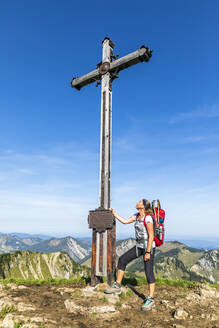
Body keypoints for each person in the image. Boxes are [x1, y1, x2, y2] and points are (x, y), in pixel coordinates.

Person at [104, 199, 156, 311]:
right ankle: (117, 286)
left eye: (139, 202)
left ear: (143, 206)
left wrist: (147, 252)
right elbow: (125, 221)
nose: (137, 202)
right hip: (139, 246)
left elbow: (151, 236)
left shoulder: (148, 218)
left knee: (148, 272)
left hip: (148, 247)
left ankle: (151, 299)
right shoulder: (136, 216)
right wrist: (114, 214)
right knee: (122, 260)